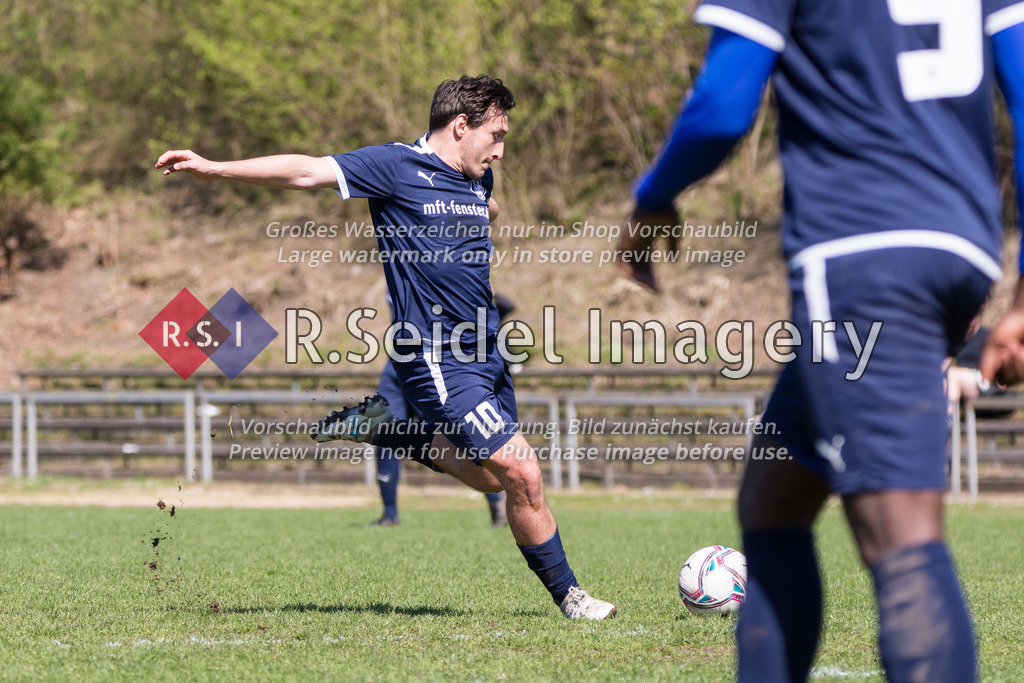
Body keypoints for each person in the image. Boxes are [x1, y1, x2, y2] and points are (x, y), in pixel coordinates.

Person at [625, 2, 1024, 680]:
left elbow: (721, 106)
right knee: (773, 500)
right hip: (959, 245)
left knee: (902, 538)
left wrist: (654, 195)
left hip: (862, 261)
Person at [156, 75, 615, 620]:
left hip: (488, 352)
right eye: (496, 134)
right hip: (438, 356)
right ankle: (572, 597)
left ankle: (390, 429)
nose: (500, 148)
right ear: (460, 126)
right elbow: (306, 170)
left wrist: (484, 213)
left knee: (495, 478)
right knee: (524, 472)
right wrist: (212, 167)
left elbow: (481, 208)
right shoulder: (395, 167)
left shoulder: (476, 179)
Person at [371, 293, 517, 528]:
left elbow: (503, 306)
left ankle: (496, 506)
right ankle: (389, 514)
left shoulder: (447, 270)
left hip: (439, 360)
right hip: (399, 362)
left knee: (466, 435)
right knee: (384, 429)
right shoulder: (398, 262)